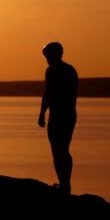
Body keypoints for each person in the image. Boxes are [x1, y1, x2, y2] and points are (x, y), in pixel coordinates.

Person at [38, 42, 78, 195]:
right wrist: (42, 113)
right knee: (56, 150)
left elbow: (70, 95)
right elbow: (47, 93)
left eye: (49, 56)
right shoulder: (49, 71)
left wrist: (61, 108)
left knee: (63, 149)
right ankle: (63, 184)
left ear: (58, 54)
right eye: (46, 57)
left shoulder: (68, 71)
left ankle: (66, 185)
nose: (47, 59)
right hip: (54, 115)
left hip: (66, 115)